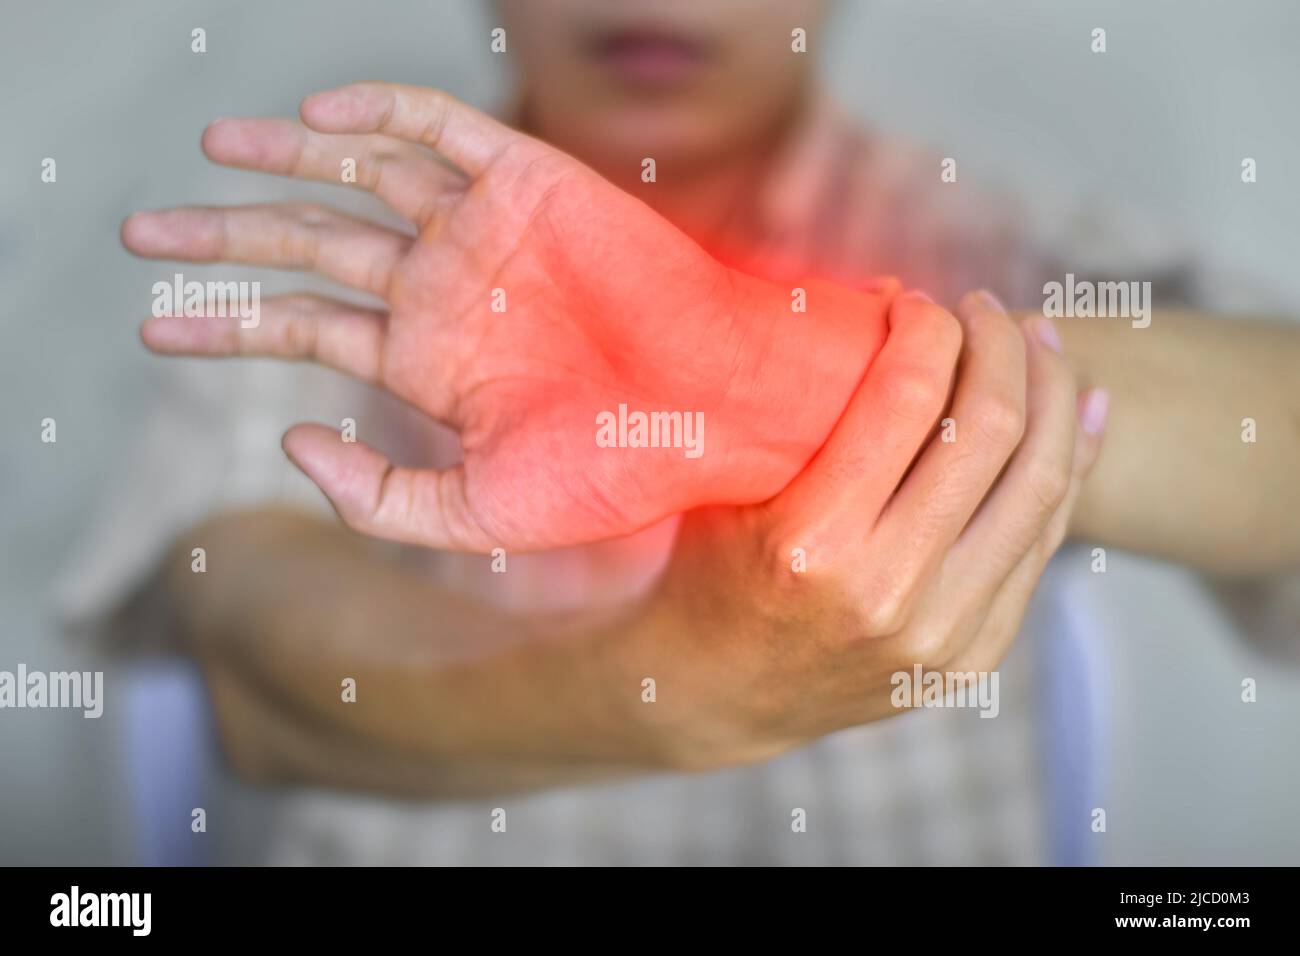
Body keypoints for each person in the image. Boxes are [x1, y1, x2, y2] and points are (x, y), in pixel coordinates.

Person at [77, 0, 1300, 864]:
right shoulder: (318, 258)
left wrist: (775, 369)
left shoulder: (1003, 238)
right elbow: (259, 668)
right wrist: (680, 687)